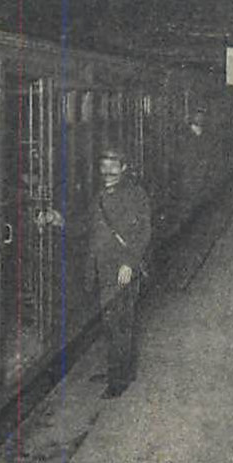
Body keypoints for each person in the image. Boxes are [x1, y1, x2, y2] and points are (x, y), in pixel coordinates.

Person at [89, 145, 152, 398]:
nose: (108, 171)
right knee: (111, 321)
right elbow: (92, 227)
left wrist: (129, 262)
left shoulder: (135, 194)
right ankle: (118, 369)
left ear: (124, 168)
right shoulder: (102, 194)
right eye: (104, 166)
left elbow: (143, 232)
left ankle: (119, 380)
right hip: (104, 269)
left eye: (114, 166)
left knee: (120, 323)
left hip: (121, 269)